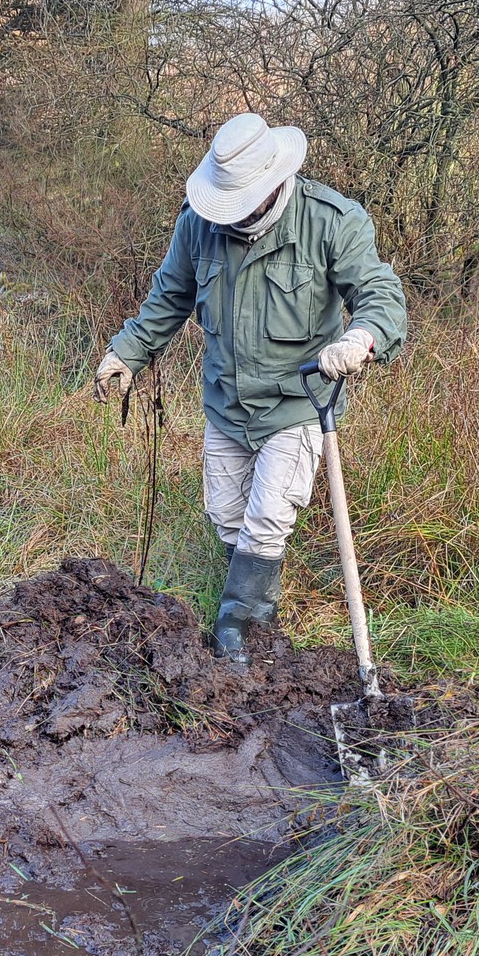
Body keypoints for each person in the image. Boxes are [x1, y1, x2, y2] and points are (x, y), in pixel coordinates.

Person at [96, 112, 409, 665]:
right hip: (225, 402)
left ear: (271, 183)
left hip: (297, 403)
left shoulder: (330, 220)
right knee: (228, 517)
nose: (231, 213)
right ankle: (256, 612)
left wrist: (360, 339)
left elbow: (380, 293)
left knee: (267, 520)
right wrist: (126, 354)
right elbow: (169, 298)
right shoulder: (198, 224)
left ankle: (238, 630)